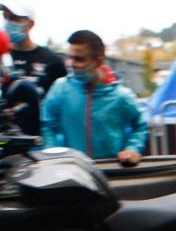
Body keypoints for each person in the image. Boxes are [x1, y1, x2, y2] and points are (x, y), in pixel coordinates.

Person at [40, 30, 147, 165]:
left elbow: (141, 124)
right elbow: (48, 124)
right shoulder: (60, 88)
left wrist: (132, 148)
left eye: (79, 59)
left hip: (111, 171)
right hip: (72, 172)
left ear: (99, 61)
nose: (71, 63)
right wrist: (52, 153)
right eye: (69, 57)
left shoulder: (121, 96)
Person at [2, 1, 65, 136]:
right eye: (5, 17)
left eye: (14, 18)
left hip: (40, 142)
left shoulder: (52, 61)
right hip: (5, 141)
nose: (8, 23)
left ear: (30, 24)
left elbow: (61, 106)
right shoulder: (2, 58)